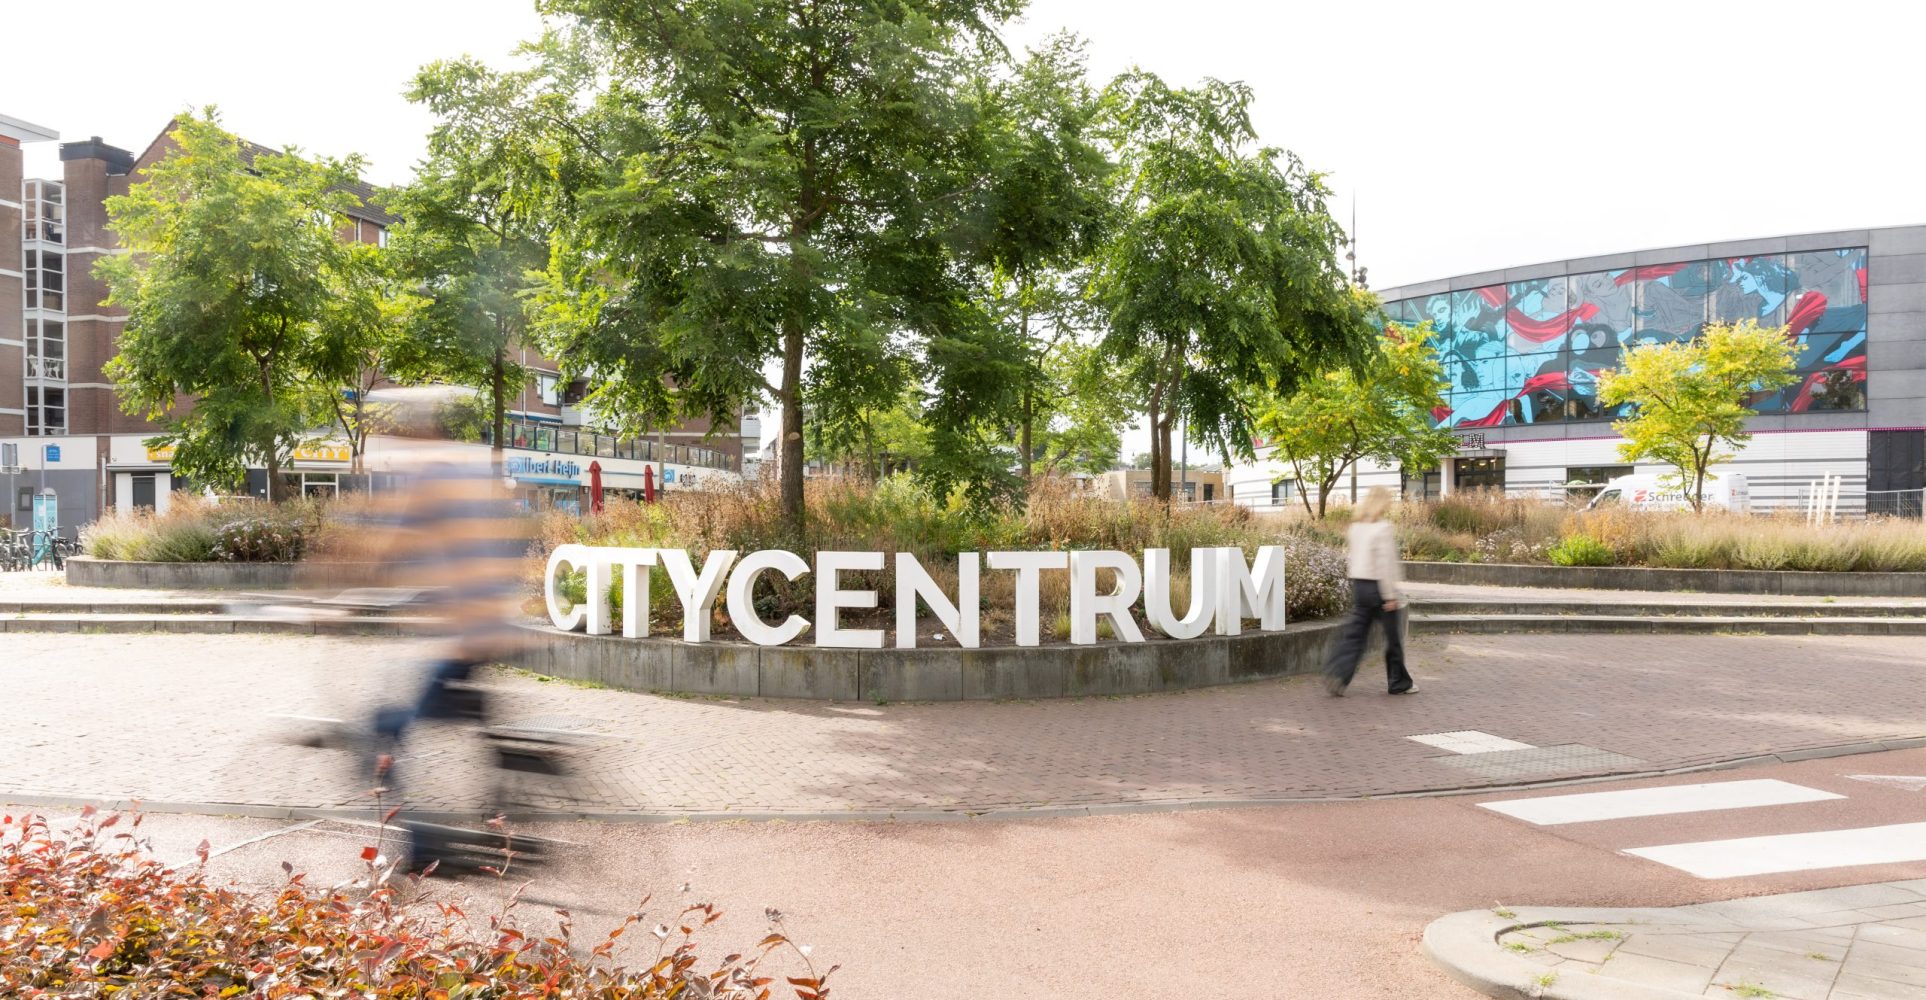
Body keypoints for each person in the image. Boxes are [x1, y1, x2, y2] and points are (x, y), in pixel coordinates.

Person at [1322, 486, 1416, 697]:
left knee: (1355, 637)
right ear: (1382, 502)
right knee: (1393, 638)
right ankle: (1399, 683)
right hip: (1378, 589)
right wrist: (1390, 596)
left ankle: (1338, 674)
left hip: (1360, 587)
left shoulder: (1356, 528)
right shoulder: (1383, 528)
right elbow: (1385, 564)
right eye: (1388, 500)